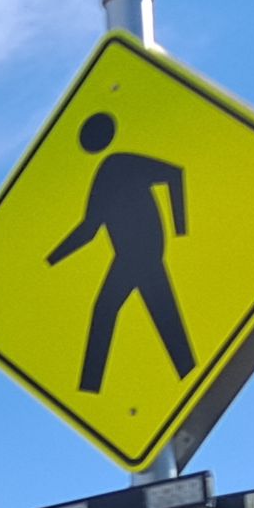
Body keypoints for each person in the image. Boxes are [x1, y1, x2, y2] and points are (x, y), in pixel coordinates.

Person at [49, 111, 194, 393]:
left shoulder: (120, 164)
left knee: (106, 310)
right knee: (162, 315)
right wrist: (51, 259)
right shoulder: (106, 173)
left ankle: (90, 388)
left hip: (141, 253)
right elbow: (89, 228)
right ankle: (188, 373)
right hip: (133, 254)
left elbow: (174, 174)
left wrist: (180, 229)